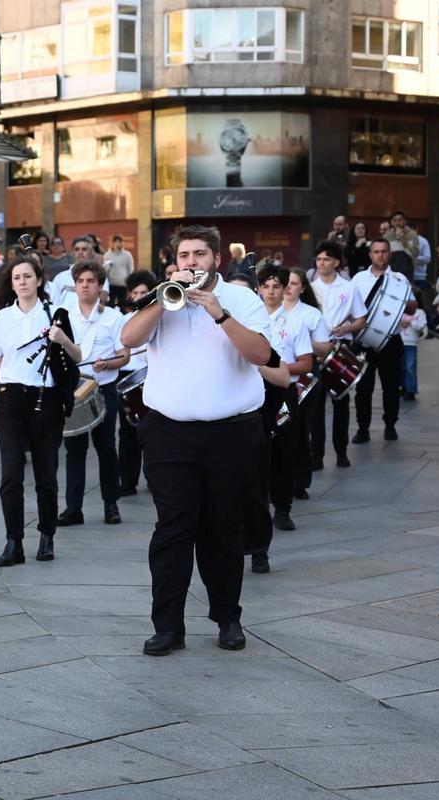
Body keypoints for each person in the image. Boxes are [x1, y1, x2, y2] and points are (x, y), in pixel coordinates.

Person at [120, 224, 270, 657]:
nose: (192, 263)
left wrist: (218, 312)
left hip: (231, 432)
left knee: (224, 528)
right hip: (170, 433)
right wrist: (164, 301)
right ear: (175, 260)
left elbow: (260, 355)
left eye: (200, 255)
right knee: (172, 531)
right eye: (185, 255)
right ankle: (167, 626)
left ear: (216, 260)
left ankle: (228, 618)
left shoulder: (242, 299)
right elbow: (128, 339)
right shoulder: (163, 296)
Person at [0, 257, 81, 566]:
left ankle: (46, 535)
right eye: (17, 277)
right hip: (9, 399)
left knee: (45, 473)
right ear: (11, 284)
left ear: (39, 280)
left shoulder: (55, 314)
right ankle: (14, 542)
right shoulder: (1, 318)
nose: (23, 281)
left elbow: (78, 356)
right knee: (10, 474)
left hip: (45, 399)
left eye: (28, 276)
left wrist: (62, 338)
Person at [227, 271, 291, 574]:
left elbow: (283, 376)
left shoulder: (259, 333)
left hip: (256, 421)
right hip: (221, 422)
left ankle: (259, 550)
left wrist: (254, 361)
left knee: (256, 489)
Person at [58, 261, 128, 527]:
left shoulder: (113, 317)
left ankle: (112, 504)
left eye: (90, 281)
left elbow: (124, 356)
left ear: (100, 286)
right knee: (74, 449)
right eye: (80, 281)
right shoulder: (64, 315)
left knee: (106, 447)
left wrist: (107, 364)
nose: (85, 286)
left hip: (103, 388)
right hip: (73, 391)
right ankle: (73, 507)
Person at [258, 266, 313, 532]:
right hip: (254, 393)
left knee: (284, 449)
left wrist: (275, 370)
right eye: (266, 286)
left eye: (276, 286)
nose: (270, 292)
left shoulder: (295, 322)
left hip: (283, 393)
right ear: (258, 289)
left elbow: (305, 363)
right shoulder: (250, 320)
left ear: (285, 289)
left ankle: (283, 508)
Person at [352, 239, 418, 444]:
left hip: (391, 339)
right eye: (376, 252)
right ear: (370, 255)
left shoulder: (399, 279)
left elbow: (413, 306)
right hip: (363, 340)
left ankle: (390, 425)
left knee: (391, 386)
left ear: (389, 254)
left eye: (384, 251)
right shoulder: (358, 279)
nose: (380, 255)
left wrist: (401, 303)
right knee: (363, 387)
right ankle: (363, 428)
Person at [309, 242, 367, 469]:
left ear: (336, 262)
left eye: (327, 259)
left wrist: (348, 328)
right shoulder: (310, 288)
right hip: (316, 350)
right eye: (319, 259)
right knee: (316, 407)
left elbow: (361, 317)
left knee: (341, 404)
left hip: (341, 349)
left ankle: (341, 451)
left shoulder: (349, 287)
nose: (322, 263)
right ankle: (317, 455)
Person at [282, 268, 330, 499]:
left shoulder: (311, 314)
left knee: (300, 429)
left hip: (305, 375)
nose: (289, 287)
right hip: (276, 374)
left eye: (294, 283)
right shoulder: (269, 311)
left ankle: (299, 482)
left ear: (302, 287)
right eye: (286, 283)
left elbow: (324, 348)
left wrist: (301, 339)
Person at [117, 271, 155, 495]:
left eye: (144, 292)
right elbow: (121, 352)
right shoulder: (122, 321)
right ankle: (127, 481)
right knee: (128, 433)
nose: (140, 296)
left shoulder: (160, 316)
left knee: (153, 433)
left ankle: (153, 478)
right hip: (129, 378)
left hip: (152, 377)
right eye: (136, 293)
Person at [48, 237, 97, 304]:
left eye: (84, 249)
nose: (80, 252)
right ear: (72, 253)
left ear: (91, 253)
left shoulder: (98, 275)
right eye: (77, 249)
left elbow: (103, 298)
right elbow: (53, 302)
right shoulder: (60, 277)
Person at [399, 306, 426, 401]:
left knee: (410, 367)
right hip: (398, 342)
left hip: (411, 343)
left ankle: (411, 390)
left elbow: (420, 327)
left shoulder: (419, 312)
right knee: (400, 367)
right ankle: (403, 386)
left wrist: (410, 322)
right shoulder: (399, 309)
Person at [102, 235, 134, 306]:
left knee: (123, 304)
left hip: (123, 284)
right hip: (111, 284)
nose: (121, 243)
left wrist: (128, 281)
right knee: (110, 304)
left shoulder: (127, 255)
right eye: (118, 242)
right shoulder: (107, 255)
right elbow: (104, 270)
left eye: (122, 242)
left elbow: (130, 269)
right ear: (113, 243)